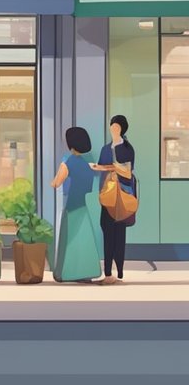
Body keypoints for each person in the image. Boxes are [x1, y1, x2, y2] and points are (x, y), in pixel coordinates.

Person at [51, 126, 102, 283]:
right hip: (84, 205)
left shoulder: (68, 162)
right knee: (84, 238)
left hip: (72, 205)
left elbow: (56, 183)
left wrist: (59, 171)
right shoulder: (88, 164)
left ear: (70, 144)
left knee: (70, 238)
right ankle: (86, 271)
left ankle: (67, 273)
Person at [91, 114, 136, 284]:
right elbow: (102, 168)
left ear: (122, 129)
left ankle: (120, 271)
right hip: (107, 195)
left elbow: (128, 171)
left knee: (119, 234)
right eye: (112, 126)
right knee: (107, 230)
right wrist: (99, 168)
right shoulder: (105, 149)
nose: (113, 129)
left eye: (117, 126)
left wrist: (111, 168)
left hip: (122, 195)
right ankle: (108, 271)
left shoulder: (128, 149)